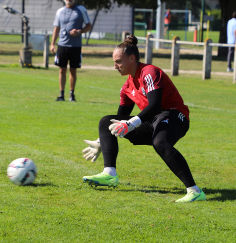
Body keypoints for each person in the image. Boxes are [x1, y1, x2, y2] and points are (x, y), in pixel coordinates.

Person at [81, 36, 206, 203]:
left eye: (118, 61)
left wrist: (131, 124)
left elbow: (155, 105)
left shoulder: (150, 72)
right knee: (106, 122)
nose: (115, 66)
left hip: (175, 116)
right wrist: (100, 141)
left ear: (132, 58)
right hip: (152, 120)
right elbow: (119, 120)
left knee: (160, 142)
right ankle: (109, 174)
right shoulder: (126, 86)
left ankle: (194, 191)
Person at [50, 0, 92, 102]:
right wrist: (52, 43)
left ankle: (71, 94)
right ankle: (61, 94)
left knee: (73, 70)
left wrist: (79, 31)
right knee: (61, 70)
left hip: (75, 46)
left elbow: (89, 26)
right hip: (62, 45)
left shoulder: (81, 10)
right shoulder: (59, 11)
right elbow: (56, 28)